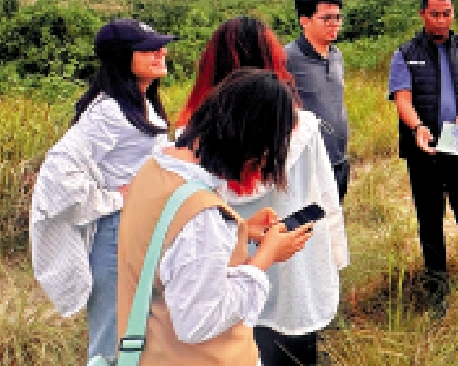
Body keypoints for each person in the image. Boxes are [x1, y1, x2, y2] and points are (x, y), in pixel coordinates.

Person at [179, 16, 349, 365]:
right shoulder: (300, 129)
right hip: (293, 269)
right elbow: (324, 198)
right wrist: (334, 258)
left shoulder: (188, 138)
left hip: (224, 271)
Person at [117, 69, 315, 365]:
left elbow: (163, 245)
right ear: (252, 142)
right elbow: (199, 322)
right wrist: (264, 258)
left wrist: (240, 231)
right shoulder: (202, 216)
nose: (262, 163)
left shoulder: (156, 167)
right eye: (267, 152)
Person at [30, 18, 175, 361]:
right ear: (122, 57)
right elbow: (57, 174)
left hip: (143, 230)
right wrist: (115, 197)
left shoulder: (142, 103)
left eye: (160, 45)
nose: (160, 52)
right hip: (116, 235)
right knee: (113, 337)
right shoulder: (109, 111)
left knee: (142, 331)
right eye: (147, 49)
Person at [387, 0, 458, 312]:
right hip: (425, 148)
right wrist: (418, 127)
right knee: (430, 220)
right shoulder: (405, 53)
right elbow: (402, 99)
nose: (442, 20)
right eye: (435, 14)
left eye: (447, 13)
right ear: (422, 14)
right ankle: (437, 292)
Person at [286, 0, 351, 202]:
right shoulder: (288, 58)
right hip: (308, 163)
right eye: (327, 18)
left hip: (338, 157)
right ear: (304, 20)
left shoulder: (336, 55)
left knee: (335, 222)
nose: (335, 24)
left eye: (338, 18)